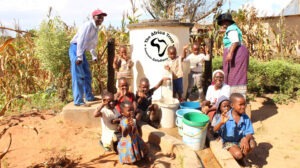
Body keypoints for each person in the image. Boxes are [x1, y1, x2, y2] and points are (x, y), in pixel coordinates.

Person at [69, 9, 107, 106]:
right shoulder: (87, 25)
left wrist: (94, 56)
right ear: (93, 17)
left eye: (102, 17)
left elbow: (91, 44)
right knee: (79, 76)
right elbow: (81, 40)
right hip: (76, 49)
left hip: (81, 51)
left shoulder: (96, 28)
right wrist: (79, 57)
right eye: (99, 17)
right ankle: (78, 101)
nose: (100, 19)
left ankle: (89, 96)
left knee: (87, 74)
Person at [214, 93, 256, 163]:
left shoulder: (245, 117)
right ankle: (239, 157)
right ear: (232, 105)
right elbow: (215, 129)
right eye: (240, 105)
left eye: (244, 104)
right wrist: (221, 122)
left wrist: (245, 139)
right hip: (229, 141)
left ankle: (243, 158)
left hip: (240, 139)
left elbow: (249, 132)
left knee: (252, 144)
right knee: (238, 154)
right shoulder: (225, 116)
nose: (243, 107)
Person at [216, 13, 250, 99]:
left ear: (227, 22)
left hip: (236, 53)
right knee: (235, 74)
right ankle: (236, 97)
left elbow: (235, 41)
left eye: (224, 22)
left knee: (235, 75)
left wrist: (230, 53)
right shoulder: (232, 28)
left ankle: (236, 97)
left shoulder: (231, 29)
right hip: (239, 52)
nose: (223, 25)